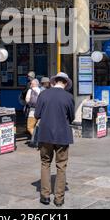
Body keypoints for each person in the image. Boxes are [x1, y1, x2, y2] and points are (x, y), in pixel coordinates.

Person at [35, 72, 75, 208]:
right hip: (62, 135)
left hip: (45, 134)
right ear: (65, 83)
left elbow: (36, 114)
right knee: (61, 166)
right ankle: (59, 199)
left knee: (45, 163)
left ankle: (45, 196)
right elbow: (72, 117)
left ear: (54, 81)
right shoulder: (69, 97)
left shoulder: (43, 94)